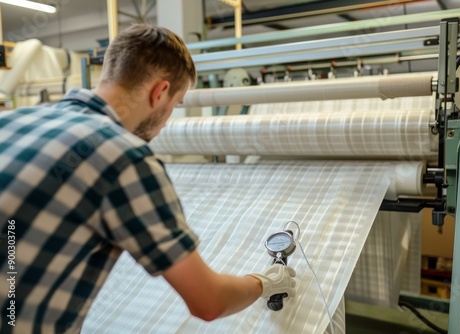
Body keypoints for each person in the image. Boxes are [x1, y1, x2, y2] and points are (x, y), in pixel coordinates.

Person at [0, 24, 296, 333]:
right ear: (159, 92)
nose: (167, 122)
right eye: (175, 105)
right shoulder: (125, 159)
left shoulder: (10, 122)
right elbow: (210, 302)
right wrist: (266, 281)